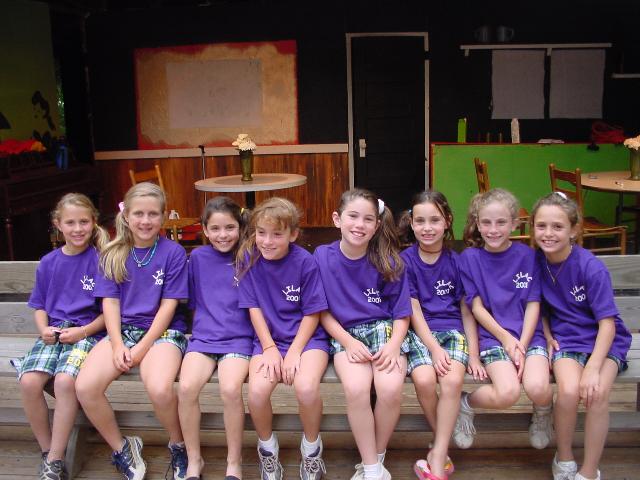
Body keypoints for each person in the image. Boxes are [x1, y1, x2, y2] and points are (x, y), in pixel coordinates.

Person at [75, 182, 189, 480]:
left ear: (163, 217)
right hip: (123, 330)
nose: (145, 221)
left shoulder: (173, 253)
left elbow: (168, 305)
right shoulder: (112, 253)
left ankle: (179, 444)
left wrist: (142, 347)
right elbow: (110, 303)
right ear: (126, 216)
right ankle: (122, 447)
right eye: (139, 213)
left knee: (159, 388)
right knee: (85, 387)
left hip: (163, 332)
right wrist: (116, 344)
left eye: (153, 214)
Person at [532, 192, 631, 480]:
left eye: (558, 226)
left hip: (605, 341)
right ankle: (564, 457)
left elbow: (608, 324)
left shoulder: (590, 267)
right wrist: (546, 333)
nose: (548, 233)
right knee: (568, 392)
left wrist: (593, 368)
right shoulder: (535, 262)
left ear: (574, 230)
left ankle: (589, 471)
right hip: (567, 339)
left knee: (596, 393)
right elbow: (540, 308)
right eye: (541, 226)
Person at [314, 188, 411, 480]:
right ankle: (371, 468)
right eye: (353, 216)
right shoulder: (322, 256)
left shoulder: (388, 260)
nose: (359, 225)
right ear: (337, 219)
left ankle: (375, 459)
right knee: (356, 389)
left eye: (368, 219)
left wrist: (394, 345)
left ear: (377, 225)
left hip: (385, 331)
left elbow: (402, 313)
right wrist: (347, 341)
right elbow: (321, 310)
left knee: (390, 389)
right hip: (344, 333)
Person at [12, 193, 109, 480]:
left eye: (84, 222)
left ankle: (56, 459)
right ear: (58, 224)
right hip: (54, 332)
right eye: (70, 223)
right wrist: (43, 329)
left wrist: (83, 331)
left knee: (65, 382)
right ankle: (47, 451)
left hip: (87, 333)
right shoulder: (48, 262)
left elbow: (109, 313)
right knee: (29, 381)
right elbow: (40, 306)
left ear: (93, 222)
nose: (77, 229)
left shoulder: (101, 261)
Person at [236, 197, 329, 480]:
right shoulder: (249, 258)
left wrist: (294, 352)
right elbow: (253, 308)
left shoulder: (305, 262)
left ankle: (311, 449)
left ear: (293, 234)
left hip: (307, 339)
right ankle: (268, 450)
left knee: (306, 388)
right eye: (261, 233)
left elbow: (313, 313)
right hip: (269, 340)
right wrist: (269, 347)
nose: (267, 241)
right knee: (257, 392)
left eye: (277, 234)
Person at [453, 188, 553, 450]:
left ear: (514, 223)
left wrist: (522, 343)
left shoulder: (529, 256)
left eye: (501, 222)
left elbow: (533, 303)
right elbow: (476, 308)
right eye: (486, 222)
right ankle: (466, 404)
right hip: (493, 338)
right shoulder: (469, 259)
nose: (493, 229)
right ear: (477, 223)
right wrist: (506, 339)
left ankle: (543, 413)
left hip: (530, 337)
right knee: (508, 392)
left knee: (539, 387)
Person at [397, 190, 486, 480]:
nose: (427, 227)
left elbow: (467, 311)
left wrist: (473, 355)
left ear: (447, 221)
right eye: (420, 221)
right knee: (424, 380)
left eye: (434, 220)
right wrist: (434, 348)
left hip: (452, 331)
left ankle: (437, 458)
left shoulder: (457, 261)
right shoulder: (405, 261)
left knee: (452, 381)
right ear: (411, 223)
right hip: (420, 333)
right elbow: (413, 310)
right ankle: (441, 444)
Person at [177, 196, 252, 480]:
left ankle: (234, 462)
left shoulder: (249, 256)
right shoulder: (197, 258)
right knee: (186, 388)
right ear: (205, 230)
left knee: (230, 390)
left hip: (239, 338)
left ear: (240, 226)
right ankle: (194, 459)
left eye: (230, 227)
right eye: (215, 229)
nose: (223, 235)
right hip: (204, 338)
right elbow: (194, 302)